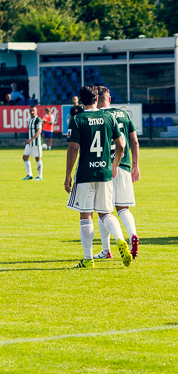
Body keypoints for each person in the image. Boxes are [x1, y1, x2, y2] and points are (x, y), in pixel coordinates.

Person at [64, 85, 131, 269]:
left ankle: (87, 259)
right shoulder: (109, 117)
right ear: (96, 99)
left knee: (86, 216)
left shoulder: (77, 119)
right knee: (106, 213)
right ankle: (120, 239)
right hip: (105, 173)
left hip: (85, 173)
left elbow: (73, 148)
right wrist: (115, 164)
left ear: (82, 100)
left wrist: (68, 174)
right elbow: (122, 145)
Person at [93, 86, 141, 261]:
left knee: (103, 210)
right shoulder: (124, 114)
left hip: (106, 167)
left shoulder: (97, 117)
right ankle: (133, 234)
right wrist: (136, 164)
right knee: (123, 209)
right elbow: (134, 141)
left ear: (96, 100)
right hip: (124, 166)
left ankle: (106, 250)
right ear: (109, 99)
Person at [22, 106, 43, 181]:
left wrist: (31, 139)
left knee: (37, 158)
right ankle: (29, 175)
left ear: (36, 111)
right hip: (30, 144)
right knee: (25, 157)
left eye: (33, 110)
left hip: (36, 143)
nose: (32, 112)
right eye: (31, 111)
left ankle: (39, 176)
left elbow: (39, 131)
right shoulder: (30, 120)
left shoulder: (38, 120)